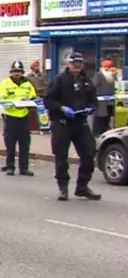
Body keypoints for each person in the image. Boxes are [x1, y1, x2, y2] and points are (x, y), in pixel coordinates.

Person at [43, 52, 101, 201]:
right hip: (62, 123)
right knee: (61, 156)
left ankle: (82, 186)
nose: (77, 69)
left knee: (89, 152)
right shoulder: (59, 80)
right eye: (75, 66)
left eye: (79, 66)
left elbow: (93, 100)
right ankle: (63, 187)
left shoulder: (85, 80)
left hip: (80, 122)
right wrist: (62, 109)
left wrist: (91, 108)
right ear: (68, 64)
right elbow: (48, 101)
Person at [0, 61, 36, 176]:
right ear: (11, 72)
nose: (17, 74)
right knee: (10, 144)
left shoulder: (27, 84)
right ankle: (10, 167)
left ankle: (24, 167)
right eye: (14, 71)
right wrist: (13, 103)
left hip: (24, 116)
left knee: (25, 144)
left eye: (19, 72)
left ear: (22, 72)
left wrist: (29, 102)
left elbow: (33, 96)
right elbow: (1, 99)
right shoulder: (5, 83)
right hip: (11, 117)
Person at [91, 59, 116, 137]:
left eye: (109, 66)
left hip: (110, 102)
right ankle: (96, 133)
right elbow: (93, 86)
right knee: (99, 118)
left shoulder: (112, 76)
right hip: (101, 102)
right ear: (102, 67)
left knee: (107, 118)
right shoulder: (98, 75)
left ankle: (105, 132)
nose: (107, 68)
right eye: (105, 66)